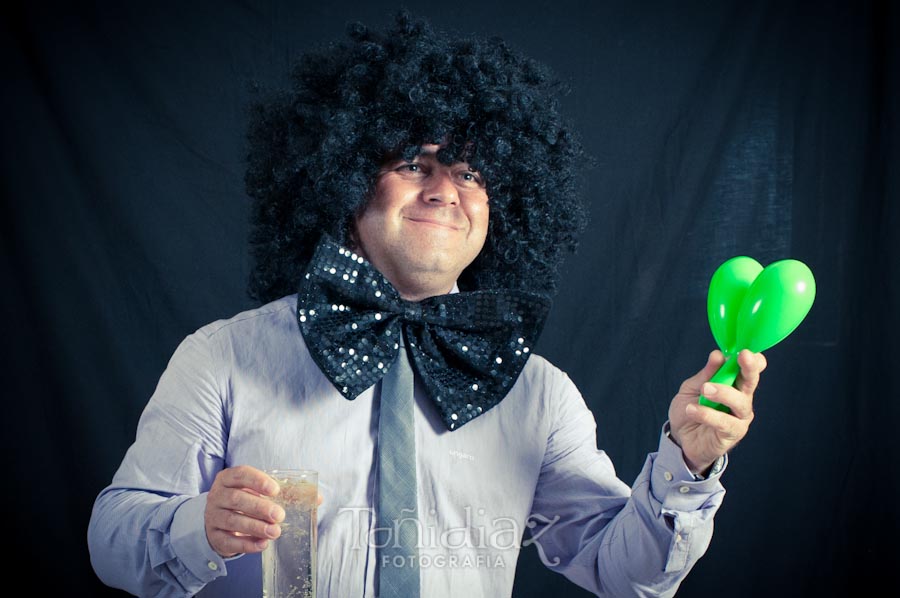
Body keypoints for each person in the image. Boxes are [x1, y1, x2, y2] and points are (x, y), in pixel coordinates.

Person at [88, 11, 766, 598]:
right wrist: (198, 526)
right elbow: (113, 544)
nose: (447, 191)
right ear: (343, 181)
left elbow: (629, 575)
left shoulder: (538, 395)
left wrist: (688, 461)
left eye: (471, 173)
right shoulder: (224, 358)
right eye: (415, 163)